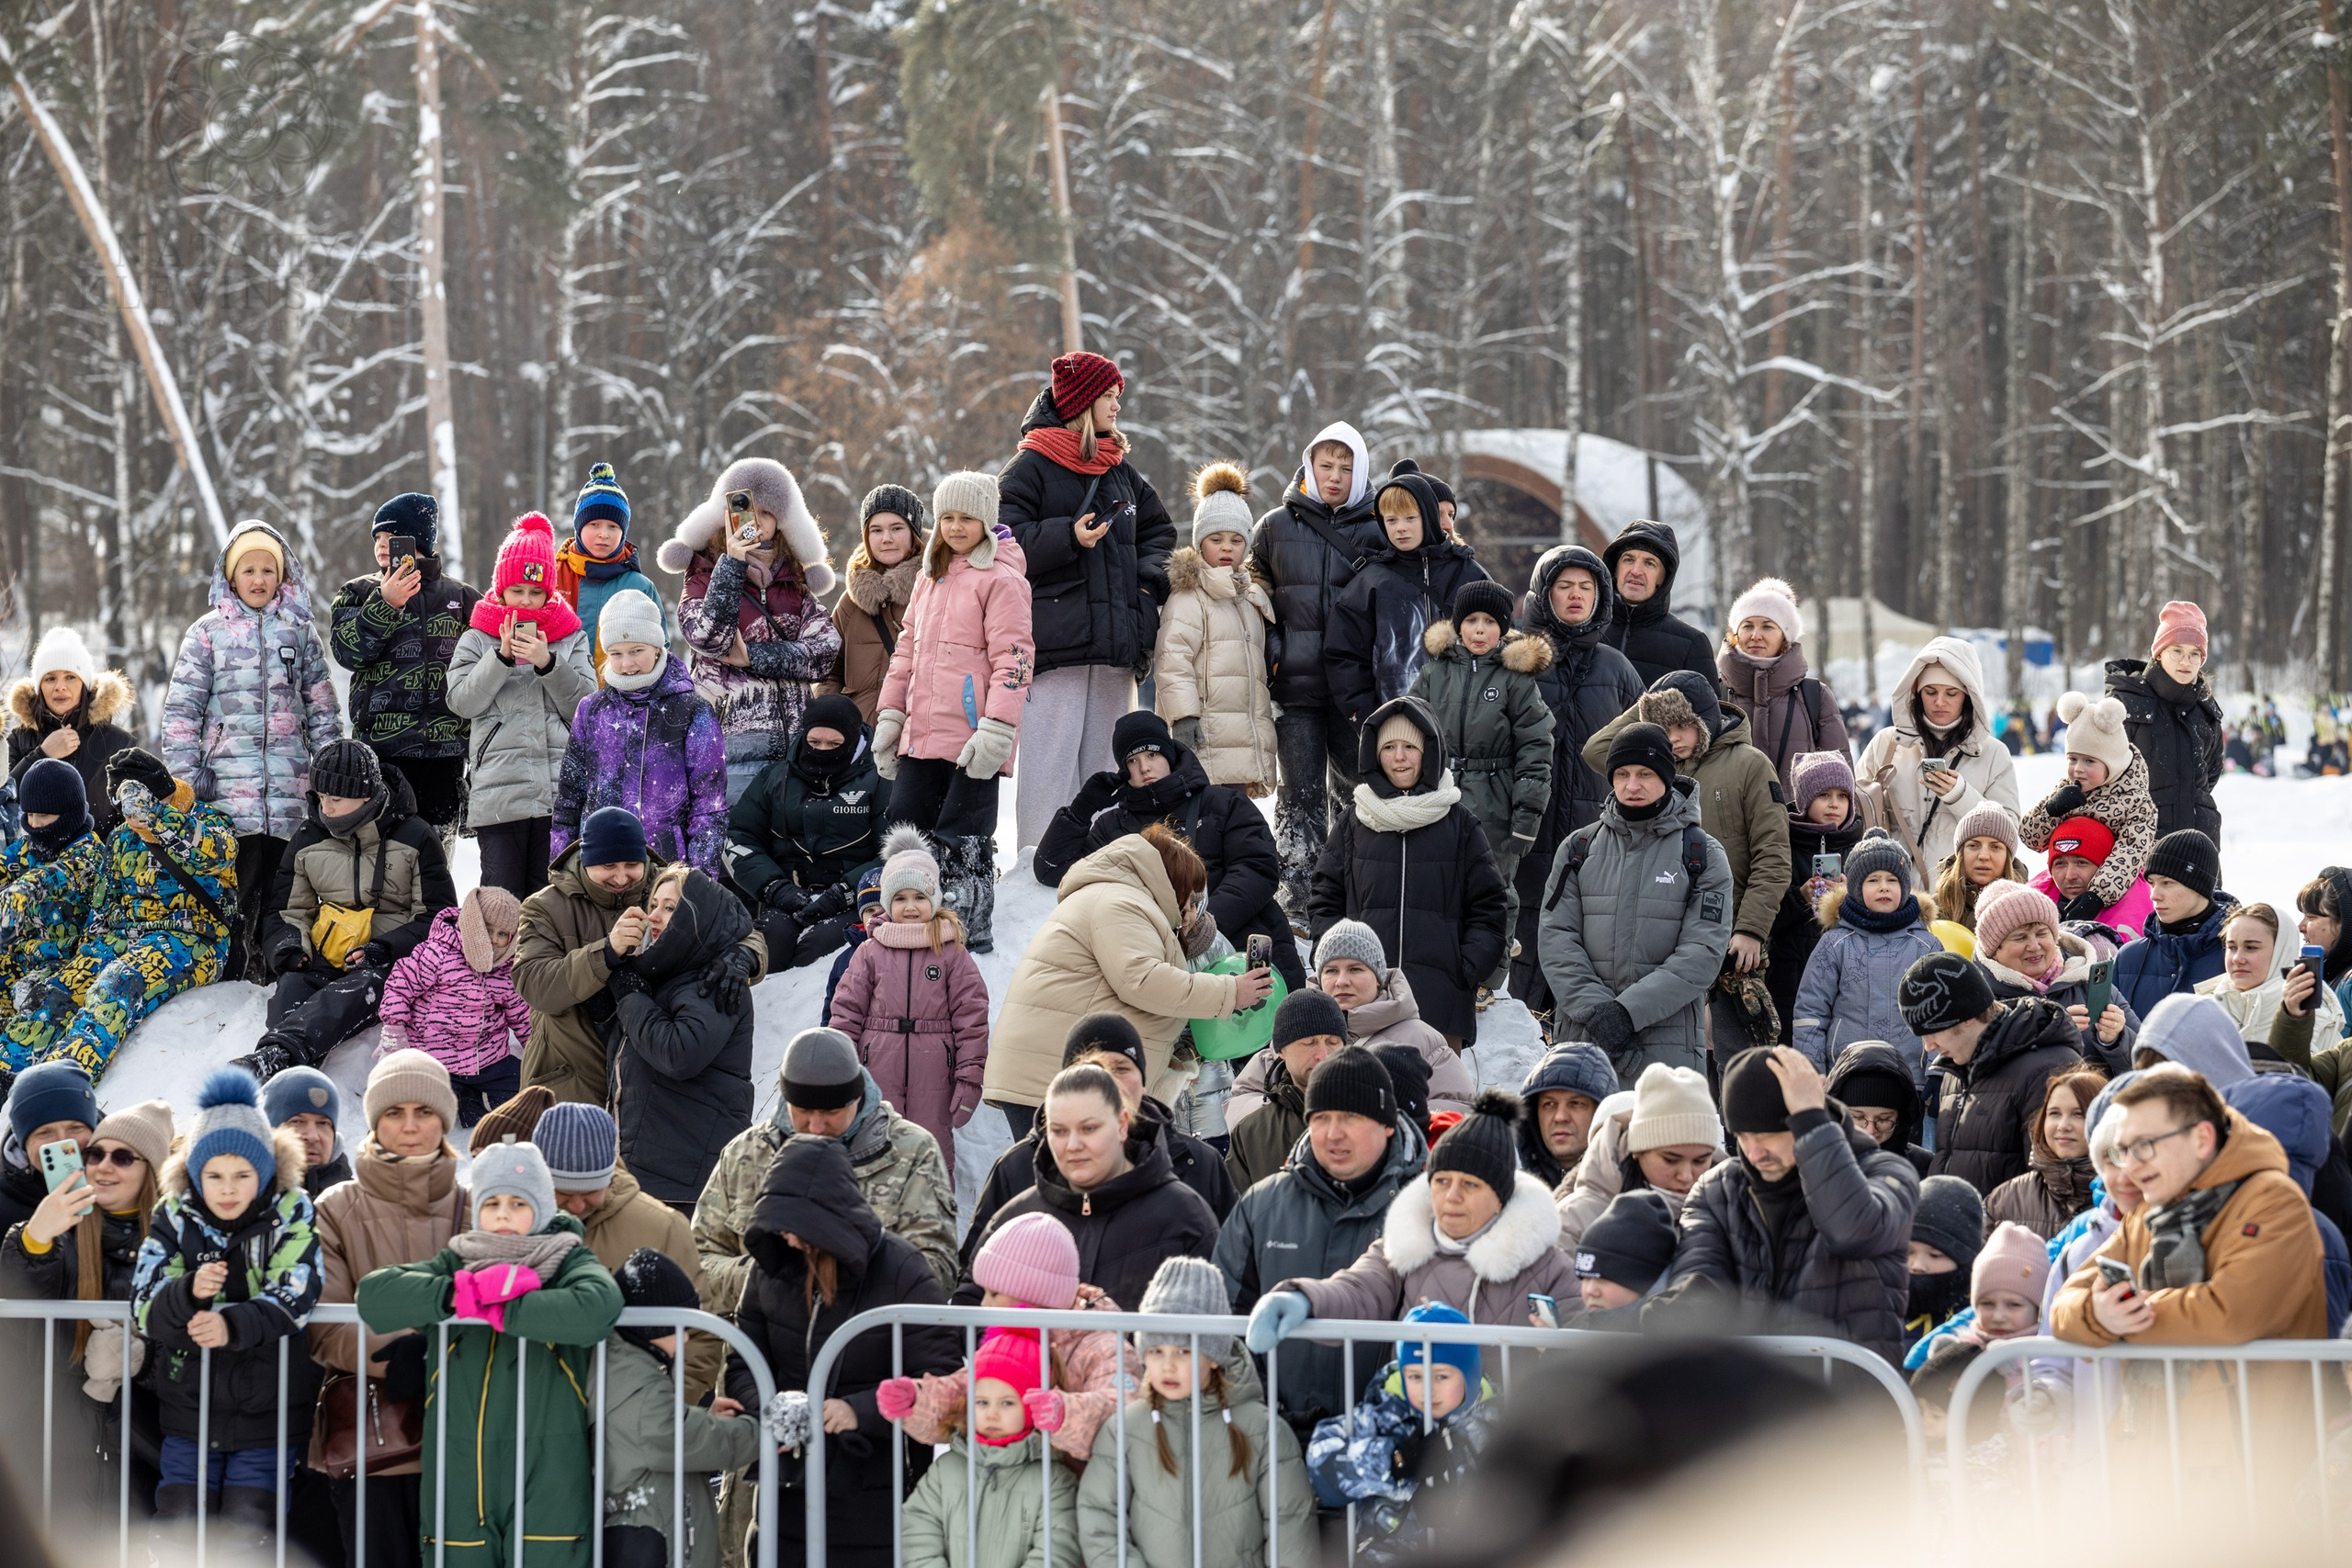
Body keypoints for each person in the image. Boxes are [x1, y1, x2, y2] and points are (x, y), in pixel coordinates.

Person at [356, 1137, 622, 1568]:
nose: (502, 1214)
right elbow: (375, 1295)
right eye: (492, 1202)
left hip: (549, 1479)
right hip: (460, 1480)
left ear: (541, 1207)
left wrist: (505, 1307)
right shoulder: (459, 1264)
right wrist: (457, 1294)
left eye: (518, 1203)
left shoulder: (566, 1259)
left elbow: (597, 1308)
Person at [2048, 1066, 2324, 1474]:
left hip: (2250, 1470)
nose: (2129, 1168)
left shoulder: (2274, 1201)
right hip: (2154, 1466)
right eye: (2122, 1150)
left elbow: (2229, 1312)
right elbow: (2065, 1302)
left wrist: (2125, 1316)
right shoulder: (2147, 1213)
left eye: (2143, 1146)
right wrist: (2098, 1314)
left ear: (2201, 1139)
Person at [725, 1134, 958, 1568]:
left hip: (875, 1502)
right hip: (785, 1499)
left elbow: (943, 1384)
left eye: (797, 1227)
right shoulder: (770, 1269)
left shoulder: (904, 1273)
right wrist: (771, 1409)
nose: (790, 1240)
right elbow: (742, 1360)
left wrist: (861, 1410)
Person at [130, 1068, 321, 1539]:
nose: (229, 1188)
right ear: (196, 1175)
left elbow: (299, 1285)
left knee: (247, 1530)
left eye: (242, 1175)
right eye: (214, 1176)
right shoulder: (175, 1218)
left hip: (268, 1412)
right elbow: (144, 1301)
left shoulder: (290, 1214)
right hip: (190, 1408)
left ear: (266, 1173)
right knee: (179, 1525)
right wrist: (189, 1292)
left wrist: (233, 1325)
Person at [999, 353, 1177, 851]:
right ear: (1082, 402)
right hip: (1056, 646)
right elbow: (1001, 543)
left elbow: (1160, 532)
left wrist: (1144, 591)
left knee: (1106, 767)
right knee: (1050, 766)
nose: (1118, 405)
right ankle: (1039, 868)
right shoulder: (1028, 467)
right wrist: (1068, 537)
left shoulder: (1121, 469)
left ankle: (1105, 863)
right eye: (1110, 395)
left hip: (1116, 646)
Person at [988, 826, 1267, 1136]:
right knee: (1063, 1179)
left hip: (1064, 1072)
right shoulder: (1120, 902)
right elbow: (1143, 980)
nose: (1189, 909)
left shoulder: (1121, 897)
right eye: (1188, 894)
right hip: (1052, 1073)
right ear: (1170, 881)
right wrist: (1231, 992)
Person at [1645, 1048, 1917, 1362]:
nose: (1754, 1151)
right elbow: (1702, 1271)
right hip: (1754, 1398)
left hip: (1849, 1401)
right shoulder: (1717, 1188)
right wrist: (1682, 1310)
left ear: (1807, 1119)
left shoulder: (1887, 1172)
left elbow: (1853, 1231)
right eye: (1743, 1136)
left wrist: (1812, 1123)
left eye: (1768, 1135)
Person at [161, 520, 344, 978]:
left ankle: (280, 971)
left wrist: (328, 777)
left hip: (289, 788)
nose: (259, 579)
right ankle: (232, 972)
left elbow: (321, 710)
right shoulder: (207, 633)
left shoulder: (299, 632)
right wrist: (184, 781)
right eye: (249, 570)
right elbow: (182, 713)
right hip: (226, 790)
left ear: (281, 577)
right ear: (230, 576)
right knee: (236, 889)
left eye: (268, 570)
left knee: (286, 890)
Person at [1215, 1043, 1427, 1434]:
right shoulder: (1262, 1206)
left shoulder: (1427, 1207)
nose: (1333, 1133)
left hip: (1389, 1444)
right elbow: (1225, 1320)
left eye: (1350, 1116)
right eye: (1321, 1117)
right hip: (1274, 1441)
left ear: (1387, 1123)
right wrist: (1259, 1415)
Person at [1246, 1090, 1577, 1337]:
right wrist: (1304, 1298)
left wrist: (1555, 1359)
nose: (1452, 1197)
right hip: (1413, 1424)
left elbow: (1585, 1354)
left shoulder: (1550, 1268)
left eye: (1471, 1185)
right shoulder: (1402, 1248)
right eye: (1442, 1181)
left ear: (1501, 1198)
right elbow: (1358, 1290)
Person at [311, 1050, 468, 1568]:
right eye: (394, 1113)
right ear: (375, 1121)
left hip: (465, 1437)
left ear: (443, 1118)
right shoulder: (335, 1208)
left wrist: (439, 1358)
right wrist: (401, 1355)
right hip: (372, 1442)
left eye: (423, 1112)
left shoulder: (478, 1203)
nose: (410, 1126)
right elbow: (326, 1324)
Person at [1584, 672, 1792, 1049]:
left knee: (1734, 1055)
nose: (1674, 736)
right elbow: (1598, 749)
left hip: (1731, 938)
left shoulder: (1750, 764)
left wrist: (1751, 929)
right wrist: (1651, 705)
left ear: (1706, 720)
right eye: (1663, 727)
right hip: (1665, 939)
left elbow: (1773, 857)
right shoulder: (1659, 769)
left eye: (1683, 725)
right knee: (1674, 1047)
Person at [0, 750, 238, 1078]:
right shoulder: (122, 837)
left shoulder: (207, 820)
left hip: (192, 937)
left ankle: (62, 1082)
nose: (130, 815)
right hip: (122, 935)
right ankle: (8, 1076)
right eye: (125, 805)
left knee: (116, 986)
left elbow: (216, 853)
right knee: (58, 992)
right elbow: (104, 905)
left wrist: (157, 816)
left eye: (136, 801)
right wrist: (85, 959)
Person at [874, 471, 1033, 951]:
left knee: (962, 835)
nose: (956, 527)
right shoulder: (929, 577)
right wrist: (890, 717)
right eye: (947, 518)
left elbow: (1015, 658)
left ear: (986, 521)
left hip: (973, 738)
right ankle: (908, 926)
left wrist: (998, 729)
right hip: (921, 735)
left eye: (967, 518)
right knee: (906, 825)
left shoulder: (1002, 579)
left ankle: (967, 933)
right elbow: (906, 652)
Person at [1078, 1258, 1316, 1568]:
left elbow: (1291, 1524)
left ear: (1214, 1356)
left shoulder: (1262, 1429)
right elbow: (1099, 1516)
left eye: (1184, 1351)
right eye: (1156, 1350)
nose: (1168, 1365)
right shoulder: (1124, 1428)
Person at [1034, 711, 1297, 990]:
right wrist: (1081, 809)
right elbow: (1052, 870)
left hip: (1240, 935)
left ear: (1169, 756)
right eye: (1132, 761)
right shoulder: (1112, 827)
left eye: (1152, 755)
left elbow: (1257, 868)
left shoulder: (1223, 803)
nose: (1144, 767)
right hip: (1157, 961)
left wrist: (1205, 924)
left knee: (1279, 1022)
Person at [242, 738, 456, 1080]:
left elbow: (439, 917)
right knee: (292, 987)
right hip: (325, 953)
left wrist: (384, 948)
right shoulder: (308, 839)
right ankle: (282, 1067)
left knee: (359, 990)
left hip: (388, 959)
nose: (325, 808)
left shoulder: (416, 837)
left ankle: (277, 1058)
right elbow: (286, 911)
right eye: (321, 797)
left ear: (366, 795)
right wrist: (290, 948)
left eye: (336, 799)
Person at [1, 1094, 169, 1526]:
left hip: (148, 1443)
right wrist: (33, 1237)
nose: (102, 1165)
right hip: (64, 1439)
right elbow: (22, 1293)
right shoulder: (64, 1229)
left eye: (122, 1156)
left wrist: (142, 1358)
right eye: (95, 1154)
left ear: (150, 1169)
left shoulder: (177, 1239)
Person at [697, 1027, 957, 1302]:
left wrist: (843, 1267)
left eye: (832, 1112)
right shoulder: (745, 1154)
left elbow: (940, 1271)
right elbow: (696, 1263)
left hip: (870, 1338)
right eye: (803, 1111)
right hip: (758, 1339)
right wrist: (772, 1274)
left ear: (858, 1097)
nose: (817, 1127)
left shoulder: (911, 1151)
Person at [1307, 695, 1509, 1048]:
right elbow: (1325, 899)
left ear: (1429, 752)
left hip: (1438, 1006)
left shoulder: (1460, 825)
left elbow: (1489, 907)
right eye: (1388, 747)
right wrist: (1335, 960)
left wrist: (1463, 968)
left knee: (1437, 1100)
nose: (1399, 758)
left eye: (1410, 747)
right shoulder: (1355, 822)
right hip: (1362, 1007)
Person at [1539, 722, 1733, 1086]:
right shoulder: (1577, 848)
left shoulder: (1702, 854)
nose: (1632, 785)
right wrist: (1600, 1014)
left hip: (1666, 1046)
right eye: (1623, 774)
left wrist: (1627, 1014)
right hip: (1584, 1037)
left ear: (1666, 777)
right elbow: (1556, 939)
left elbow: (1703, 952)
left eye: (1645, 774)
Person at [961, 1016, 1235, 1265]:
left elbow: (1234, 1273)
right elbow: (975, 1279)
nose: (1109, 1081)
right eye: (1093, 1069)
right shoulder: (1018, 1166)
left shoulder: (1198, 1163)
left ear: (1143, 1081)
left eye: (1121, 1068)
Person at [881, 1212, 1140, 1469]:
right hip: (1011, 1492)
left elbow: (1122, 1412)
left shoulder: (1100, 1345)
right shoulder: (1005, 1341)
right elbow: (963, 1395)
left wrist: (1065, 1414)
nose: (983, 1305)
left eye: (994, 1293)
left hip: (1074, 1497)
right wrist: (916, 1401)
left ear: (1035, 1295)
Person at [1250, 419, 1384, 918]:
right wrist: (1274, 650)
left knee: (1356, 793)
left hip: (1356, 691)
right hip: (1296, 686)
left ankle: (1353, 893)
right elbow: (1253, 596)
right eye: (1326, 465)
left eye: (1346, 468)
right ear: (1308, 465)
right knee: (1299, 795)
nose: (1334, 476)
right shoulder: (1275, 526)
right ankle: (1300, 900)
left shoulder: (1379, 528)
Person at [956, 1063, 1222, 1312]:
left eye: (1089, 1128)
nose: (1073, 1145)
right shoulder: (1019, 1214)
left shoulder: (1184, 1214)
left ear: (1121, 1125)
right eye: (1059, 1131)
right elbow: (967, 1305)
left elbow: (1221, 1321)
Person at [659, 457, 842, 807]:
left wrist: (752, 657)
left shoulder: (795, 584)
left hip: (795, 750)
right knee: (737, 850)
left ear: (782, 524)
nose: (755, 521)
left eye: (767, 513)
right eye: (744, 509)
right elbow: (707, 636)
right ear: (724, 516)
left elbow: (826, 651)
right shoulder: (702, 576)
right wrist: (731, 563)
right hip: (729, 746)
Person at [1511, 544, 1645, 1013]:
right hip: (1524, 837)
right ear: (1543, 594)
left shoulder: (1617, 669)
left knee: (1588, 956)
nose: (1574, 596)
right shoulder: (1516, 659)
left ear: (1600, 596)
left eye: (1586, 587)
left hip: (1598, 840)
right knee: (1521, 953)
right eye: (1563, 586)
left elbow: (1645, 753)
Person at [1405, 578, 1555, 996]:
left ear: (1503, 629)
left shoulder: (1516, 680)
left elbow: (1536, 749)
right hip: (1440, 793)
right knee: (1437, 885)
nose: (1479, 630)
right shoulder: (1434, 673)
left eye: (1490, 622)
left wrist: (1527, 815)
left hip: (1496, 797)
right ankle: (1436, 968)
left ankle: (1488, 974)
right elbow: (1407, 727)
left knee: (1492, 888)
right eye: (1470, 620)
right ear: (1458, 625)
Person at [445, 511, 596, 897]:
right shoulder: (477, 637)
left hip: (558, 794)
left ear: (549, 592)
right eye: (518, 592)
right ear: (500, 589)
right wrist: (500, 660)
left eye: (536, 593)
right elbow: (461, 702)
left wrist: (549, 663)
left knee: (552, 900)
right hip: (498, 796)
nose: (526, 604)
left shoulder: (569, 636)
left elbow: (586, 708)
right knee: (500, 900)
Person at [827, 825, 989, 1170]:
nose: (910, 907)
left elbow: (972, 1019)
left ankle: (930, 1221)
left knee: (928, 1153)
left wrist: (969, 1078)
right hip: (876, 1067)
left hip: (935, 1073)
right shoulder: (870, 951)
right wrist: (840, 1070)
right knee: (873, 1152)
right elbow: (845, 1013)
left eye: (919, 897)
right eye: (900, 898)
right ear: (887, 902)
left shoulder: (952, 952)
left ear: (934, 899)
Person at [326, 491, 482, 836]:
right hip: (383, 753)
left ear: (419, 540)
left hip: (447, 753)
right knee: (385, 861)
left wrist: (477, 755)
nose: (382, 545)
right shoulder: (358, 592)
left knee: (436, 866)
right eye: (377, 538)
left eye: (392, 537)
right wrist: (386, 603)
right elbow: (348, 653)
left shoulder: (463, 597)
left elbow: (484, 677)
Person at [607, 865, 761, 1210]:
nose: (655, 916)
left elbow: (679, 1053)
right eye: (655, 905)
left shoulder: (713, 980)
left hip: (687, 1177)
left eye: (670, 907)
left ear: (698, 917)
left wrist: (631, 998)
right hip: (660, 1169)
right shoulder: (665, 973)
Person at [597, 1247, 762, 1568]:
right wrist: (764, 1433)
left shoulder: (627, 1372)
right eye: (681, 1328)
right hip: (656, 1547)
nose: (685, 1340)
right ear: (654, 1328)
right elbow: (677, 1435)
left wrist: (703, 1417)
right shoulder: (634, 1386)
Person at [1228, 921, 1474, 1130]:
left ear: (1377, 978)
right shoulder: (1295, 1026)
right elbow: (1241, 1100)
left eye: (1355, 969)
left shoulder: (1421, 1039)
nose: (1342, 981)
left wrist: (1377, 1124)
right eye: (1331, 970)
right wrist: (1289, 1121)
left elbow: (1460, 1111)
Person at [1306, 1303, 1501, 1564]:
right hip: (1387, 1555)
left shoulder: (1496, 1421)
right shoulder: (1387, 1412)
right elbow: (1321, 1461)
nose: (1427, 1390)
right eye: (1415, 1376)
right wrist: (1393, 1462)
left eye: (1442, 1376)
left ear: (1469, 1375)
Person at [553, 592, 728, 877]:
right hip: (599, 873)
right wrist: (563, 872)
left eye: (637, 651)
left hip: (667, 871)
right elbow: (569, 801)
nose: (626, 664)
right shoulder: (591, 710)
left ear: (657, 647)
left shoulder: (692, 711)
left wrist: (698, 880)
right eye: (616, 654)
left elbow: (709, 807)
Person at [891, 1325, 1082, 1568]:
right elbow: (918, 1530)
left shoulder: (1053, 1480)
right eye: (982, 1402)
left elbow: (1057, 1550)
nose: (992, 1414)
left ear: (1031, 1405)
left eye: (1006, 1403)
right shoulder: (946, 1470)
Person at [725, 694, 888, 972]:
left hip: (855, 898)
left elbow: (896, 852)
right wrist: (774, 888)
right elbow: (739, 838)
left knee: (817, 950)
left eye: (835, 744)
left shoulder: (882, 777)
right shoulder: (775, 778)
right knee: (767, 949)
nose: (823, 750)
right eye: (815, 743)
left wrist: (846, 892)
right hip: (789, 895)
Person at [1900, 952, 2085, 1194]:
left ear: (1966, 1017)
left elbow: (2060, 1183)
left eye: (1932, 1031)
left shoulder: (2049, 1070)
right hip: (1964, 1227)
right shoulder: (1955, 1069)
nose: (1928, 1046)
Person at [516, 806, 664, 1106]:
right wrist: (606, 952)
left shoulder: (670, 890)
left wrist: (743, 957)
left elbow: (741, 930)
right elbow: (535, 985)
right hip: (567, 1079)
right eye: (608, 865)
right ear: (585, 861)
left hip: (654, 1079)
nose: (622, 878)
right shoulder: (543, 907)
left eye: (632, 864)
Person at [1324, 469, 1489, 732]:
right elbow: (1344, 656)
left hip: (1469, 725)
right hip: (1398, 727)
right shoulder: (1370, 583)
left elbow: (1498, 642)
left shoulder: (1468, 573)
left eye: (1410, 518)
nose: (1400, 528)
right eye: (1390, 520)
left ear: (1428, 517)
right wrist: (1370, 718)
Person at [1853, 637, 2021, 885]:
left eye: (1951, 693)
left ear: (1968, 696)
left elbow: (2008, 832)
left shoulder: (1993, 753)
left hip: (1957, 898)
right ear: (1916, 692)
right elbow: (1853, 809)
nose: (1939, 701)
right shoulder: (1887, 744)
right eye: (1930, 692)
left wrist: (1961, 795)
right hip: (1890, 895)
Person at [1155, 460, 1279, 794]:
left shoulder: (1250, 599)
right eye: (1217, 538)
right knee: (1203, 823)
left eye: (1237, 540)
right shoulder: (1189, 598)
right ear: (1199, 544)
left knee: (1234, 823)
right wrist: (1183, 717)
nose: (1227, 547)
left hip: (1242, 737)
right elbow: (1172, 660)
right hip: (1204, 736)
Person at [1792, 829, 1944, 1075]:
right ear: (1855, 887)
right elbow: (1811, 1013)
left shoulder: (1926, 946)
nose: (1883, 887)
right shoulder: (1835, 943)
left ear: (1905, 887)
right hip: (1846, 1076)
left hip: (1910, 1077)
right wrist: (1814, 1075)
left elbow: (1941, 1014)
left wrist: (1937, 1073)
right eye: (1873, 880)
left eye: (1892, 880)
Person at [377, 886, 531, 1125]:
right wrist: (394, 1031)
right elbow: (400, 984)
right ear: (470, 923)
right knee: (415, 1105)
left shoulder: (506, 971)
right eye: (487, 929)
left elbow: (521, 1016)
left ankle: (472, 1101)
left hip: (486, 1060)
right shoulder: (438, 954)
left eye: (502, 934)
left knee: (527, 1088)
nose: (493, 939)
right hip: (435, 1059)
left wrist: (536, 1048)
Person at [1554, 1063, 1722, 1257]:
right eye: (1670, 1160)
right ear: (1638, 1150)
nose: (1685, 1176)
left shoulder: (1730, 1212)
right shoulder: (1575, 1221)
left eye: (1700, 1161)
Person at [1971, 880, 2136, 1070]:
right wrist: (2047, 1036)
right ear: (1993, 949)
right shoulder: (1979, 1000)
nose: (2034, 946)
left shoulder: (2092, 984)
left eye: (2042, 933)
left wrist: (2116, 1040)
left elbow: (2148, 1063)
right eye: (2020, 937)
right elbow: (1975, 1080)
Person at [2018, 693, 2159, 916]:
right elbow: (2031, 838)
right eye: (2072, 759)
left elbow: (2131, 851)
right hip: (2067, 884)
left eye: (2089, 761)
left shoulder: (2136, 802)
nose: (2078, 768)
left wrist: (2097, 895)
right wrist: (2051, 810)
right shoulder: (2068, 789)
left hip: (2117, 892)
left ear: (2112, 763)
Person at [1770, 750, 1873, 1033]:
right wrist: (1799, 896)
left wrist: (1849, 897)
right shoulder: (1782, 845)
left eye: (1842, 796)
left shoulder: (1862, 851)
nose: (1834, 804)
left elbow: (1878, 916)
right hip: (1790, 974)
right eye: (1824, 795)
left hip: (1848, 976)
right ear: (1804, 799)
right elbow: (1766, 916)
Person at [2103, 600, 2225, 840]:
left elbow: (2211, 773)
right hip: (2139, 843)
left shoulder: (2206, 713)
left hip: (2198, 844)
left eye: (2194, 654)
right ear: (2159, 653)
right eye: (2177, 651)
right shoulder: (2127, 704)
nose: (2185, 662)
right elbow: (2104, 772)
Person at [0, 760, 109, 1023]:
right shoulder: (29, 849)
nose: (35, 824)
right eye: (30, 815)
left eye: (44, 816)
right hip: (21, 955)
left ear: (69, 813)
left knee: (30, 1012)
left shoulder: (88, 853)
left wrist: (24, 890)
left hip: (65, 961)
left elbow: (61, 874)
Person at [1715, 577, 1847, 795]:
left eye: (1767, 626)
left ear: (1785, 637)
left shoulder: (1815, 696)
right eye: (1747, 626)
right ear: (1736, 634)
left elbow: (1839, 777)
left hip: (1797, 824)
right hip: (1725, 825)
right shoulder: (1713, 692)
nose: (1755, 636)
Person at [8, 627, 139, 842]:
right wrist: (41, 754)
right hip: (32, 866)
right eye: (50, 679)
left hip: (99, 867)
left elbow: (135, 821)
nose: (60, 687)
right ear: (39, 687)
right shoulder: (18, 740)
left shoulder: (120, 743)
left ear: (85, 684)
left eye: (70, 677)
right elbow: (6, 803)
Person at [1222, 991, 1349, 1190]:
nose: (1323, 1055)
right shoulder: (1251, 1132)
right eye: (1309, 1043)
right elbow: (1236, 1213)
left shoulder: (1376, 1114)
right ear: (1281, 1051)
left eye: (1333, 1042)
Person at [822, 485, 926, 723]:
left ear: (914, 533)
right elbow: (829, 671)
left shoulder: (934, 591)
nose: (886, 539)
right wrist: (832, 722)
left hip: (914, 736)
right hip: (858, 740)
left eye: (897, 528)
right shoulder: (852, 601)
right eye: (876, 530)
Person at [553, 461, 667, 676]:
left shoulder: (638, 586)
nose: (603, 534)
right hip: (561, 694)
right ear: (578, 527)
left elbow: (661, 646)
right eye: (594, 524)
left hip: (621, 696)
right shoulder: (554, 576)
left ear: (623, 533)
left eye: (613, 526)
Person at [2201, 902, 2349, 1069]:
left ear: (2282, 950)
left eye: (2251, 947)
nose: (2237, 958)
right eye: (2232, 947)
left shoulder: (2317, 1017)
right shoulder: (2202, 1009)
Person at [2114, 829, 2238, 1015]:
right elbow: (2100, 1039)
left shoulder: (2236, 956)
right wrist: (2107, 1040)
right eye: (2152, 883)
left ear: (2199, 886)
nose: (2154, 895)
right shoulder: (2129, 957)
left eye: (2167, 883)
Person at [1984, 1066, 2107, 1239]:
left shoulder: (2125, 1196)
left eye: (2078, 1114)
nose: (2063, 1125)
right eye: (2054, 1113)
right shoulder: (2005, 1199)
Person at [1596, 519, 1714, 688]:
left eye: (1649, 563)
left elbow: (1707, 712)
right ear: (1615, 569)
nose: (1636, 571)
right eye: (1628, 560)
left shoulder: (1692, 644)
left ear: (1663, 578)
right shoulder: (1587, 629)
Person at [2028, 814, 2154, 942]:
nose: (2070, 876)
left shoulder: (2141, 903)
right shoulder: (2029, 899)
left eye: (2081, 863)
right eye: (2060, 864)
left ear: (2105, 866)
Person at [1569, 1192, 1682, 1328]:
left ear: (1646, 1283)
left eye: (1604, 1279)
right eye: (1585, 1278)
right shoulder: (1579, 1328)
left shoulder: (1672, 1337)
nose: (1591, 1290)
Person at [1516, 1041, 1617, 1191]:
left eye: (1576, 1103)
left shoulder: (1629, 1199)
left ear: (1601, 1112)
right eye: (1549, 1104)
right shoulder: (1511, 1200)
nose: (1560, 1117)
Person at [1827, 1040, 1932, 1177]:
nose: (1870, 1131)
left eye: (1883, 1119)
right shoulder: (1817, 1164)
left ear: (1901, 1118)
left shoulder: (1923, 1165)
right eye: (1858, 1117)